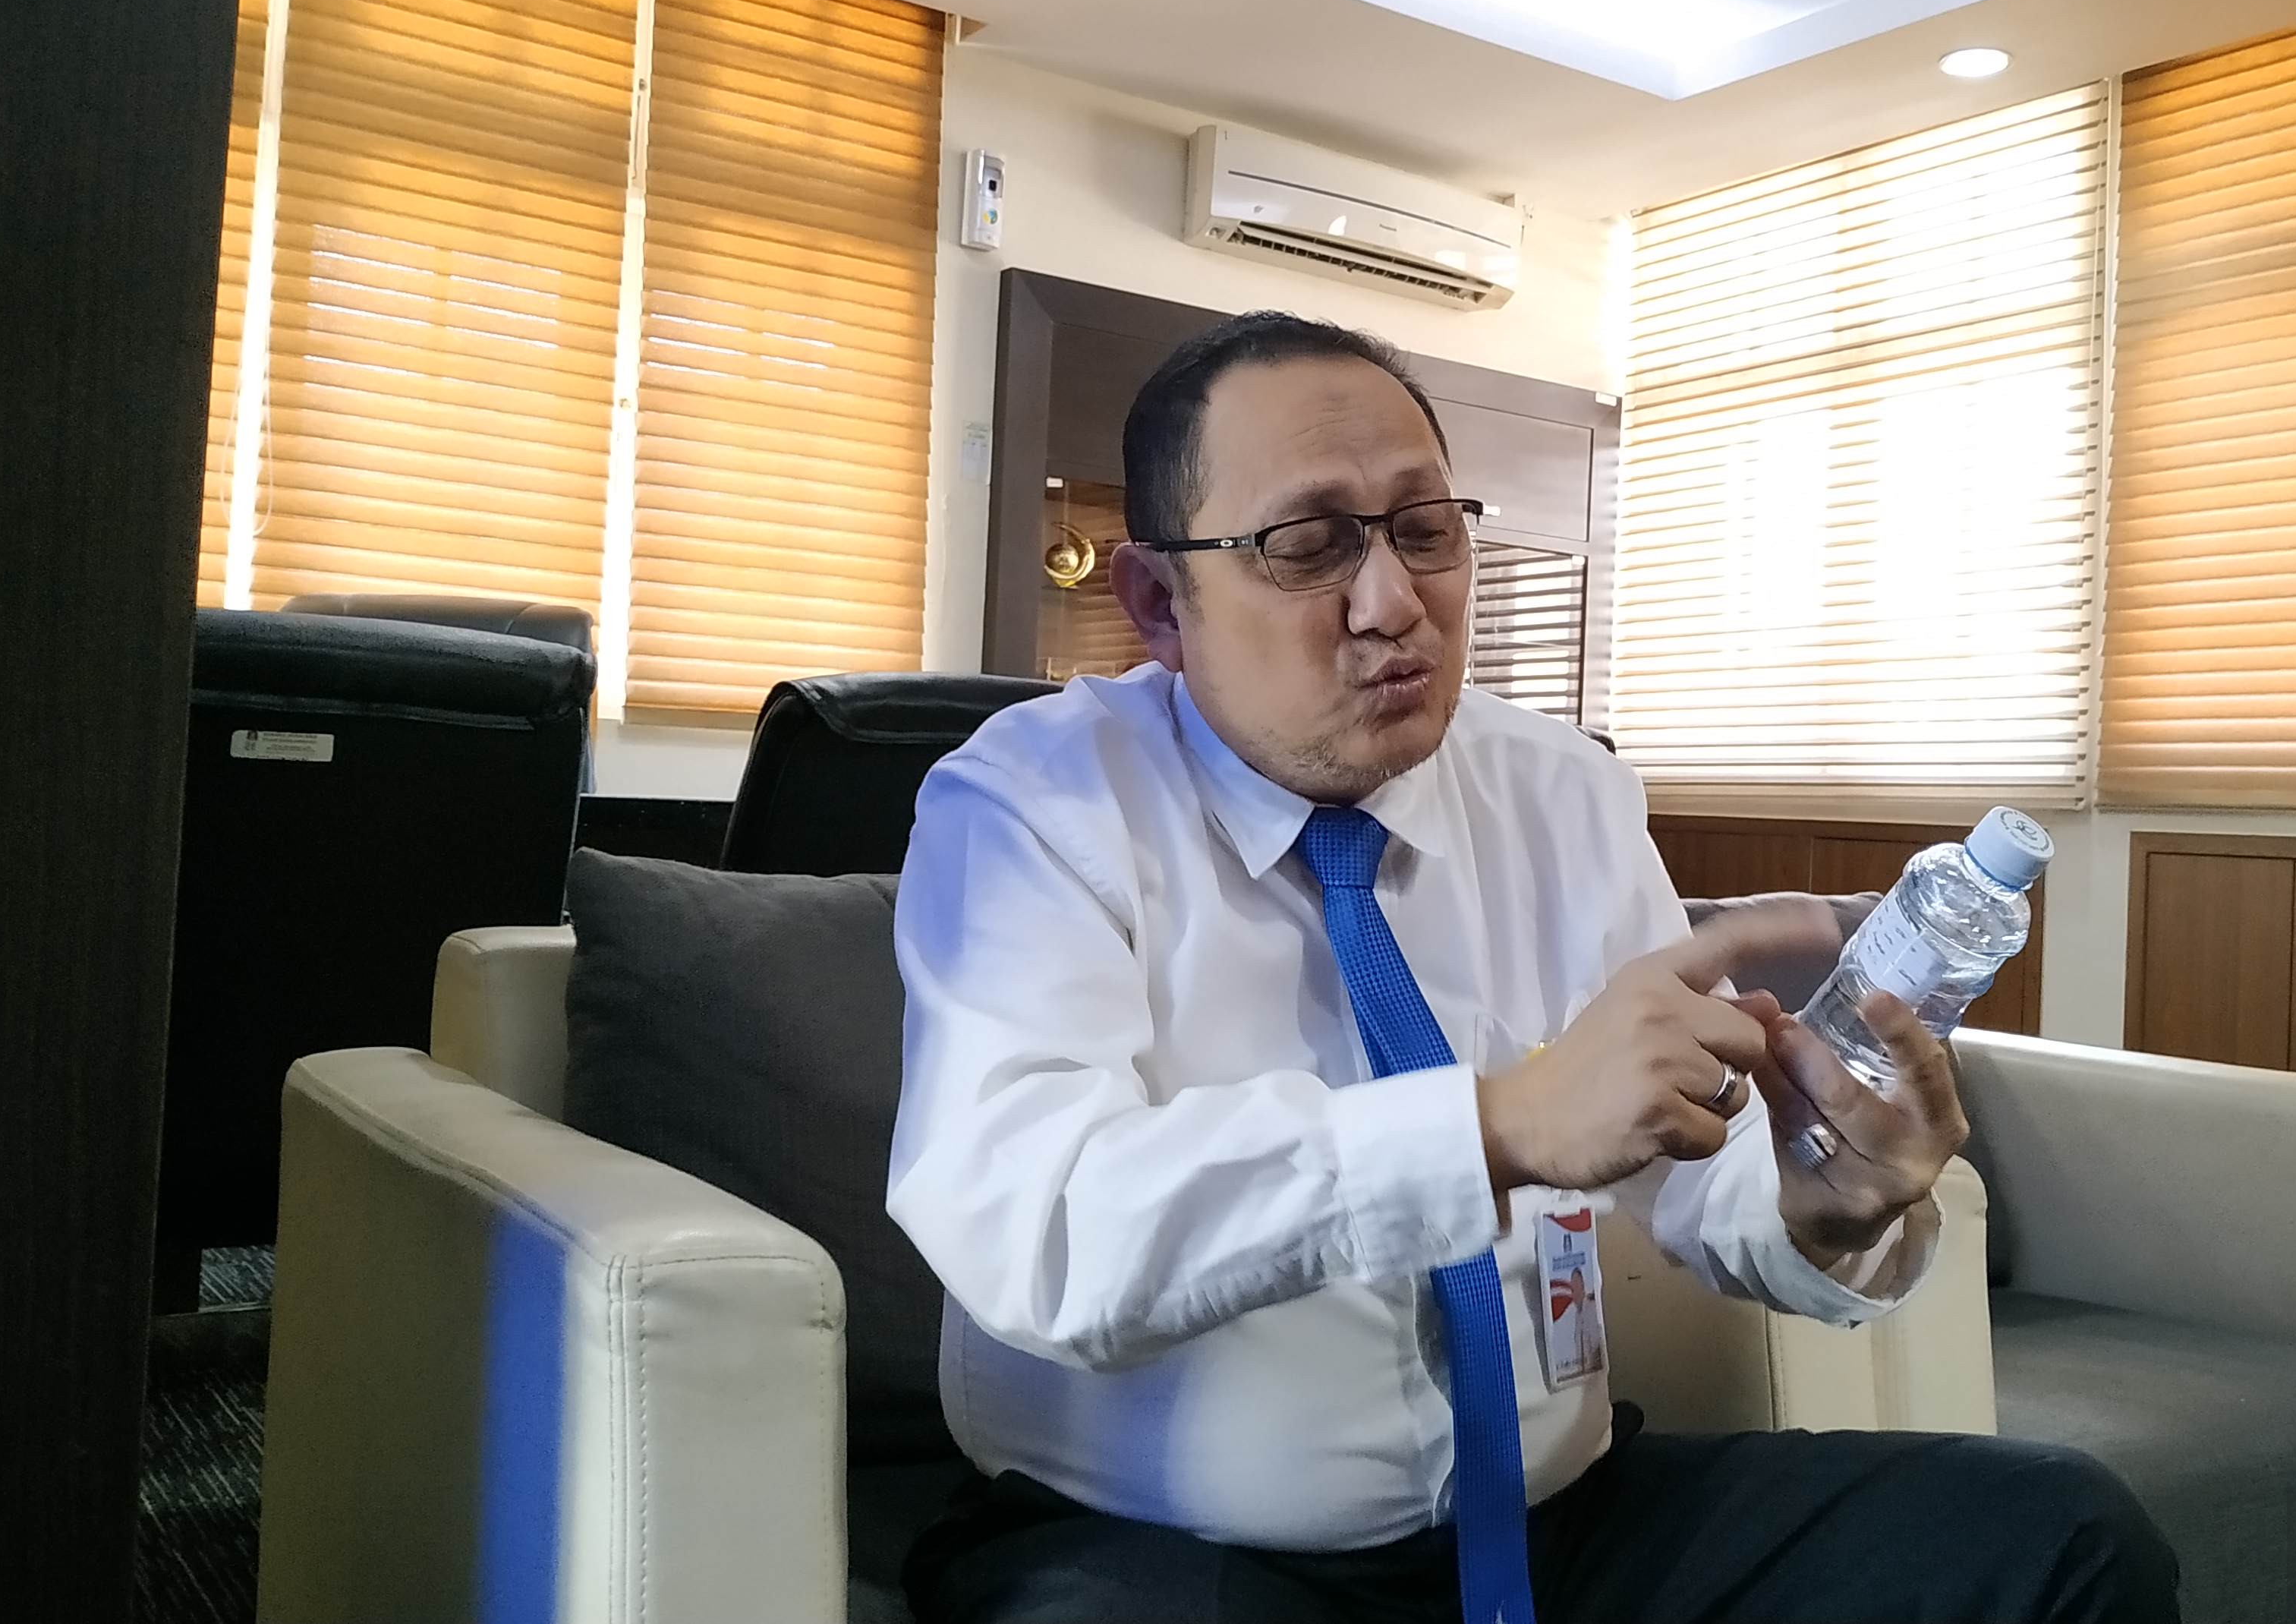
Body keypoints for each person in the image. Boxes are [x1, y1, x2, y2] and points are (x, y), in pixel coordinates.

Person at [885, 311, 2180, 1624]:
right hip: (1157, 1545)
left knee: (2065, 1538)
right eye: (1310, 544)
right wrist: (1492, 1124)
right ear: (1160, 602)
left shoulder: (1560, 791)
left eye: (1425, 530)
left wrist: (1819, 1202)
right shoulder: (1031, 804)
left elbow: (1697, 1164)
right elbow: (1036, 1222)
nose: (1394, 604)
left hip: (1566, 1526)